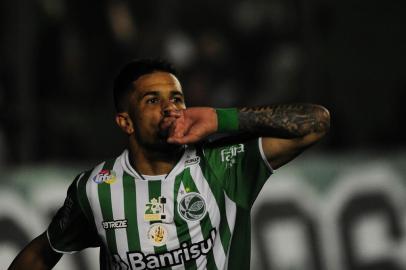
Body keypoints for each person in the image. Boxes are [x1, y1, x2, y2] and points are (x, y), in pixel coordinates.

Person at [9, 58, 330, 270]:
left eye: (176, 98)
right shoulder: (95, 188)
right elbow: (42, 252)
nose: (170, 107)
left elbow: (316, 123)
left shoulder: (223, 165)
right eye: (153, 100)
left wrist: (222, 118)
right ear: (126, 122)